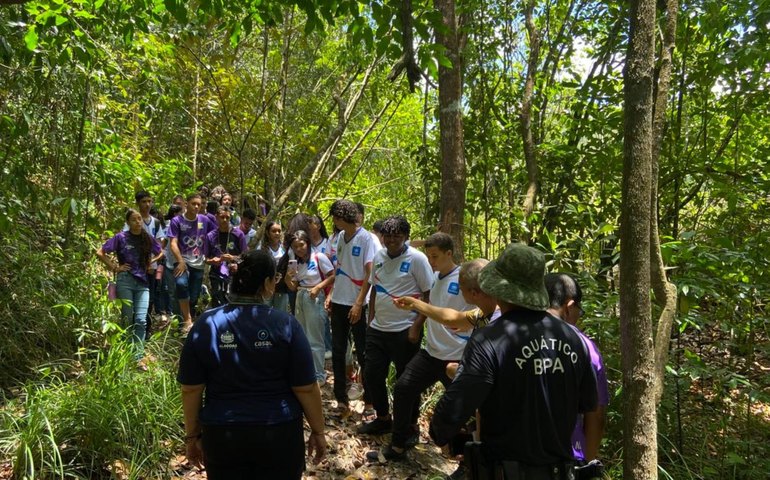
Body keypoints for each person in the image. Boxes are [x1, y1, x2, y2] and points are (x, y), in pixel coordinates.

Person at [430, 243, 598, 480]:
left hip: (507, 471)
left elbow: (455, 406)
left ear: (497, 290)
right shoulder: (573, 337)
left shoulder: (488, 339)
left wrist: (440, 432)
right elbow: (588, 402)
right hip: (561, 471)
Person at [178, 249, 327, 479]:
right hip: (278, 433)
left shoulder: (206, 324)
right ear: (268, 283)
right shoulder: (285, 325)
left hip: (223, 434)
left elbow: (191, 388)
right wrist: (318, 431)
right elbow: (306, 387)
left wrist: (192, 436)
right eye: (275, 279)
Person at [367, 233, 473, 462]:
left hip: (456, 357)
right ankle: (398, 443)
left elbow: (474, 315)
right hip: (431, 352)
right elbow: (431, 307)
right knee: (404, 388)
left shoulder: (465, 278)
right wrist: (417, 323)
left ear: (449, 253)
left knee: (463, 410)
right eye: (428, 256)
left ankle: (465, 459)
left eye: (435, 256)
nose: (431, 261)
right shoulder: (434, 277)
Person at [545, 273, 609, 464]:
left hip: (518, 458)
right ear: (569, 306)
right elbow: (595, 414)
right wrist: (588, 464)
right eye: (579, 311)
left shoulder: (514, 337)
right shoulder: (586, 348)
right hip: (570, 456)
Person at [325, 199, 377, 416]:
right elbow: (340, 268)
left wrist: (358, 303)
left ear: (342, 217)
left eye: (335, 218)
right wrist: (332, 294)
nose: (334, 222)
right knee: (338, 351)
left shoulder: (366, 239)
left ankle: (370, 401)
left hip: (358, 304)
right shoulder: (340, 238)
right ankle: (341, 399)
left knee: (364, 353)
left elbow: (369, 273)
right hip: (339, 301)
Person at [96, 208, 162, 368]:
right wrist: (114, 267)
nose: (138, 222)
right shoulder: (121, 237)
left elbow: (160, 252)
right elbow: (100, 252)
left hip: (143, 283)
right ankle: (125, 352)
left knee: (140, 320)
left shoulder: (147, 238)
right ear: (128, 223)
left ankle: (137, 356)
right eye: (134, 219)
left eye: (139, 219)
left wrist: (150, 262)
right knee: (127, 317)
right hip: (125, 280)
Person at [284, 230, 336, 384]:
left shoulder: (318, 257)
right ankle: (307, 372)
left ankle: (319, 375)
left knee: (315, 338)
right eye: (295, 246)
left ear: (307, 243)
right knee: (303, 337)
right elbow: (293, 287)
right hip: (300, 296)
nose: (299, 249)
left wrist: (319, 287)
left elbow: (333, 275)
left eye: (301, 245)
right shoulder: (295, 263)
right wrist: (287, 278)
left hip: (315, 297)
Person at [168, 193, 214, 334]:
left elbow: (215, 234)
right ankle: (187, 321)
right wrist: (180, 261)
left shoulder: (204, 220)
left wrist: (212, 255)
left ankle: (187, 323)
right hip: (182, 261)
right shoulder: (177, 221)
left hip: (199, 263)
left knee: (193, 297)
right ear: (186, 204)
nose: (196, 206)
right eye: (193, 203)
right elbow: (173, 243)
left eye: (198, 204)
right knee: (181, 284)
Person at [123, 192, 166, 334]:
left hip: (151, 268)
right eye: (143, 202)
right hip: (135, 269)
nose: (147, 204)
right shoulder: (129, 222)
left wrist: (152, 262)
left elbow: (160, 244)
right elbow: (125, 243)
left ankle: (145, 330)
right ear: (138, 203)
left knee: (150, 299)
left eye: (149, 201)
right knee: (134, 299)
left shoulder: (156, 222)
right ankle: (131, 330)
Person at [205, 206, 248, 308]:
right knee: (217, 300)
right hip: (216, 274)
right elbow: (205, 258)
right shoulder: (210, 236)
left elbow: (246, 257)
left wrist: (233, 258)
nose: (224, 220)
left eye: (227, 217)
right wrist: (212, 260)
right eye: (222, 217)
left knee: (233, 302)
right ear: (216, 217)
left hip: (234, 274)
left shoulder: (238, 234)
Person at [261, 220, 290, 312]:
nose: (277, 233)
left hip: (281, 288)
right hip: (266, 287)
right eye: (274, 231)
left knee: (281, 315)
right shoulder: (262, 249)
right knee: (264, 314)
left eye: (279, 231)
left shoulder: (285, 248)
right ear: (267, 233)